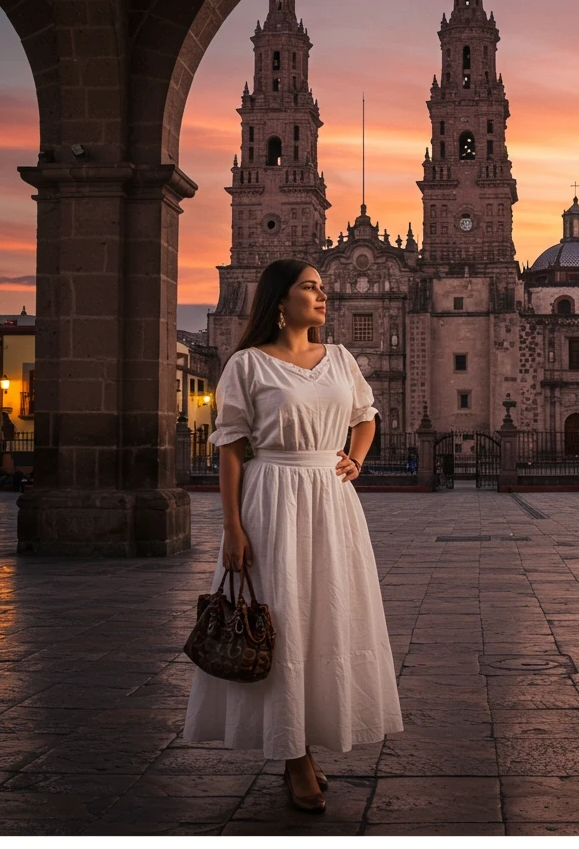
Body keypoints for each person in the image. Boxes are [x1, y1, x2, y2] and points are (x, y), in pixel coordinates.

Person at [183, 259, 403, 813]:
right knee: (282, 620)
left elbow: (366, 415)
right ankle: (294, 755)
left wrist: (355, 457)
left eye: (324, 288)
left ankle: (308, 739)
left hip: (331, 501)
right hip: (271, 499)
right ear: (280, 301)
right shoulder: (247, 365)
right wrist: (232, 527)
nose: (323, 296)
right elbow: (231, 448)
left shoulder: (341, 359)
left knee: (324, 620)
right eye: (312, 288)